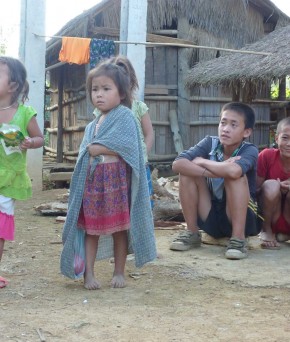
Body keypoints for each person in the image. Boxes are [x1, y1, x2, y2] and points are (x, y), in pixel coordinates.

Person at [60, 60, 157, 289]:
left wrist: (100, 149)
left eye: (106, 89)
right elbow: (86, 150)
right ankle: (89, 274)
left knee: (119, 229)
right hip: (93, 183)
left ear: (121, 93)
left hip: (116, 183)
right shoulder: (92, 124)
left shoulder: (125, 117)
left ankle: (119, 272)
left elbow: (131, 148)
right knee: (90, 230)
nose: (99, 95)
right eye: (95, 89)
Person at [170, 102, 260, 260]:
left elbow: (234, 171)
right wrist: (210, 173)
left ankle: (238, 240)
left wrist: (204, 162)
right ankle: (192, 233)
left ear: (246, 132)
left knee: (235, 177)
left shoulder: (249, 150)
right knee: (187, 173)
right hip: (211, 214)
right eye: (223, 123)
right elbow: (177, 164)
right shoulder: (209, 143)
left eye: (233, 125)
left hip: (241, 217)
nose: (225, 129)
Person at [0, 56, 44, 288]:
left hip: (8, 179)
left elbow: (40, 138)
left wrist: (29, 142)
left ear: (13, 86)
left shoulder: (25, 113)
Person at [94, 55, 155, 208]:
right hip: (113, 166)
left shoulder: (139, 107)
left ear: (130, 80)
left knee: (141, 205)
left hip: (138, 164)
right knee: (118, 207)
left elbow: (149, 134)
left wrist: (142, 154)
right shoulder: (102, 111)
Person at [257, 117, 290, 249]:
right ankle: (266, 230)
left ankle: (285, 232)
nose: (289, 143)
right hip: (270, 216)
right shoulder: (267, 156)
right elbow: (255, 190)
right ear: (276, 139)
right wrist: (277, 187)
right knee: (271, 185)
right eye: (285, 138)